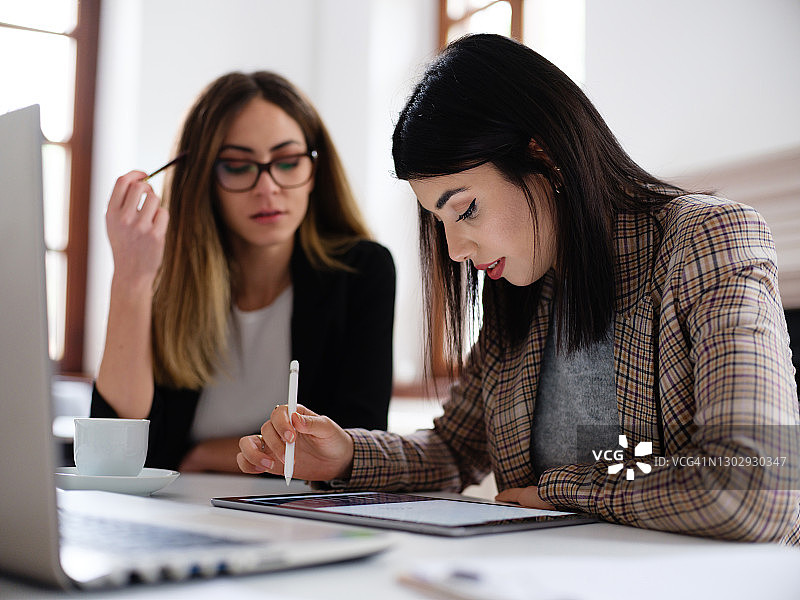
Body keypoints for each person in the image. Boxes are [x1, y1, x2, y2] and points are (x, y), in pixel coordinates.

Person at [237, 35, 800, 543]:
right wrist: (344, 456)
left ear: (542, 155)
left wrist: (564, 491)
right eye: (440, 222)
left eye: (466, 209)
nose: (455, 250)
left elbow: (759, 485)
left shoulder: (706, 240)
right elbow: (454, 453)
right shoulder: (522, 289)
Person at [91, 71, 396, 473]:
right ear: (204, 180)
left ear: (314, 172)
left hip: (304, 524)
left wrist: (201, 456)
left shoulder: (361, 271)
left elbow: (356, 443)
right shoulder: (165, 279)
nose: (267, 187)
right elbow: (117, 452)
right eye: (237, 167)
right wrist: (130, 280)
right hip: (175, 520)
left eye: (287, 162)